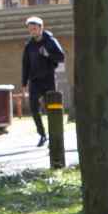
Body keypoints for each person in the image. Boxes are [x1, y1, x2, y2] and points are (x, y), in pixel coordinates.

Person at [20, 15, 66, 148]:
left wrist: (48, 54)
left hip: (49, 79)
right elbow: (25, 65)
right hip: (34, 81)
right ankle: (42, 135)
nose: (32, 32)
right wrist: (24, 84)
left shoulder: (51, 41)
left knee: (50, 109)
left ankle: (54, 136)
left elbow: (61, 57)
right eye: (30, 29)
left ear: (41, 28)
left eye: (34, 29)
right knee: (34, 109)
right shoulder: (29, 45)